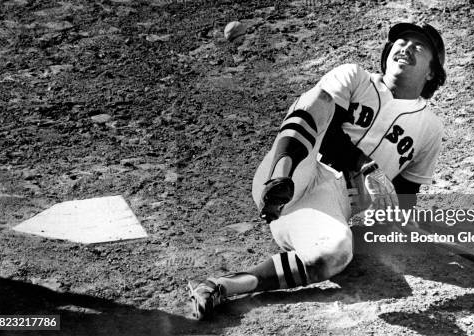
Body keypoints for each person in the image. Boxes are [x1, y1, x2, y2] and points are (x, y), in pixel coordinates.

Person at [188, 22, 447, 320]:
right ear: (388, 52)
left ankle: (222, 286)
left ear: (431, 72)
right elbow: (324, 126)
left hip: (327, 209)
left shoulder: (430, 129)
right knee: (319, 98)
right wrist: (363, 164)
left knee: (335, 254)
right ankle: (279, 182)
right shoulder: (355, 77)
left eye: (418, 47)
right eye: (401, 42)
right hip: (300, 168)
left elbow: (405, 195)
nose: (405, 48)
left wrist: (402, 220)